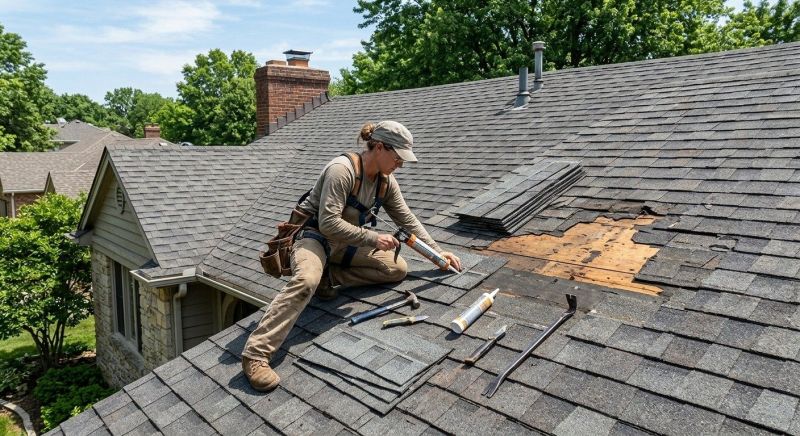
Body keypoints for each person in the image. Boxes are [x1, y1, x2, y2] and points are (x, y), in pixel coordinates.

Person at [241, 120, 462, 391]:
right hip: (314, 240)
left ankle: (329, 276)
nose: (400, 165)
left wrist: (438, 253)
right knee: (306, 281)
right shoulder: (341, 170)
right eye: (398, 158)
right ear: (379, 147)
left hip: (345, 245)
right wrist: (372, 238)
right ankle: (256, 355)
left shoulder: (385, 182)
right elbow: (328, 223)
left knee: (396, 269)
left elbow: (407, 219)